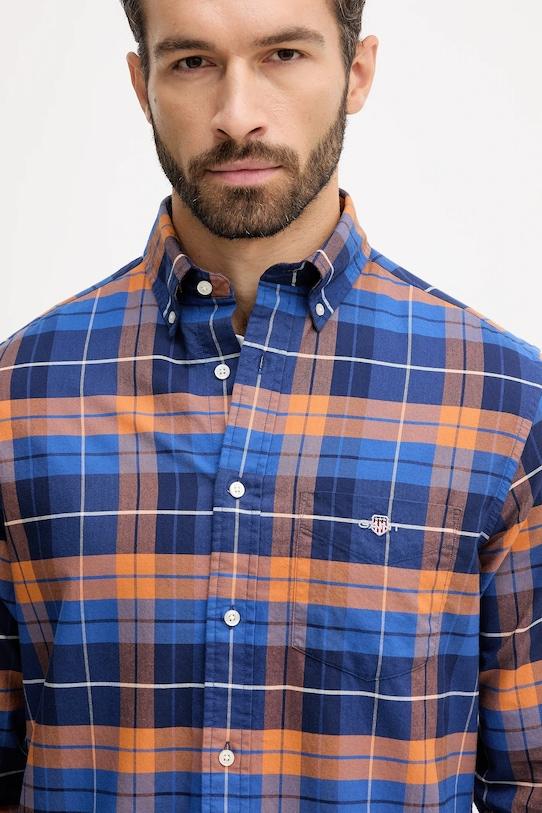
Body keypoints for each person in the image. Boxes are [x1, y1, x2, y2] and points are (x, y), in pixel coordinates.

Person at [0, 0, 540, 810]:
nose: (237, 115)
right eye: (192, 62)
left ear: (357, 73)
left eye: (283, 54)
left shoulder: (503, 399)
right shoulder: (20, 393)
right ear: (142, 85)